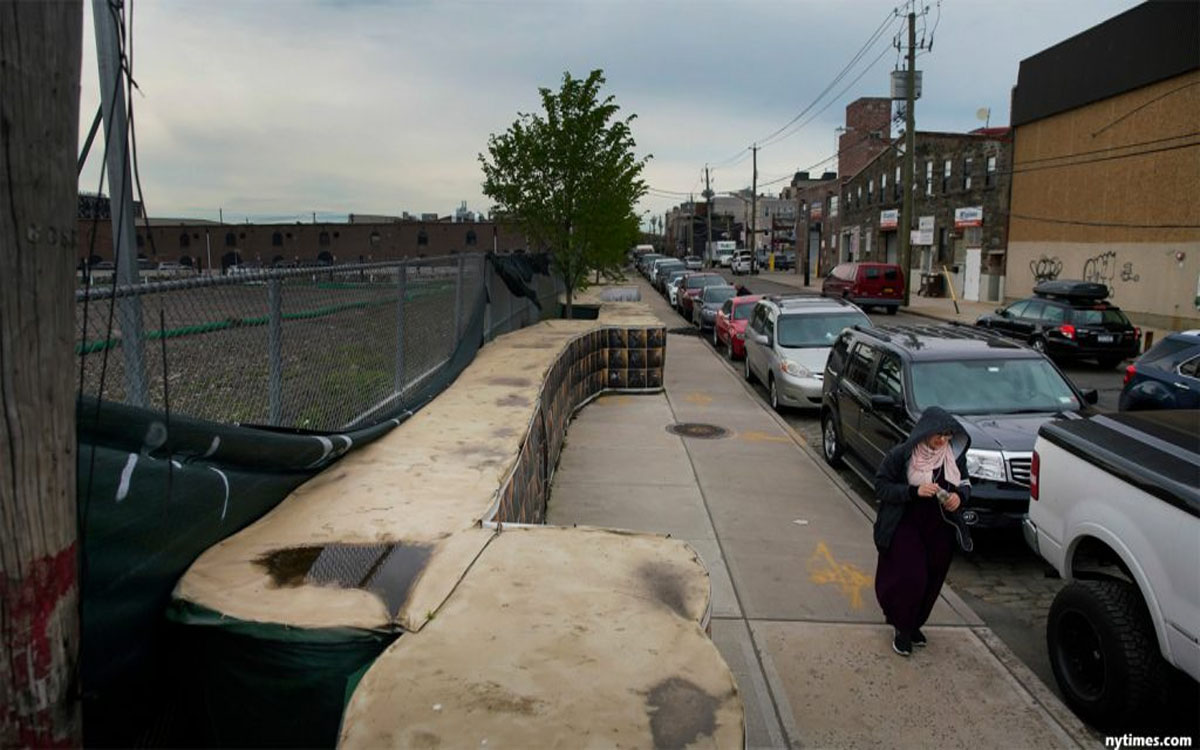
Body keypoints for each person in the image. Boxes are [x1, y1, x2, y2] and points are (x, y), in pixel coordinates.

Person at [873, 406, 974, 657]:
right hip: (906, 525)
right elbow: (881, 485)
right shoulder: (903, 454)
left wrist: (958, 498)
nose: (943, 440)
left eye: (948, 435)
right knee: (911, 577)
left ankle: (914, 623)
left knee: (931, 579)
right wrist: (912, 491)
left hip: (940, 529)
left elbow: (965, 483)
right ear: (925, 431)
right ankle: (902, 629)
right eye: (938, 434)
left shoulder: (953, 456)